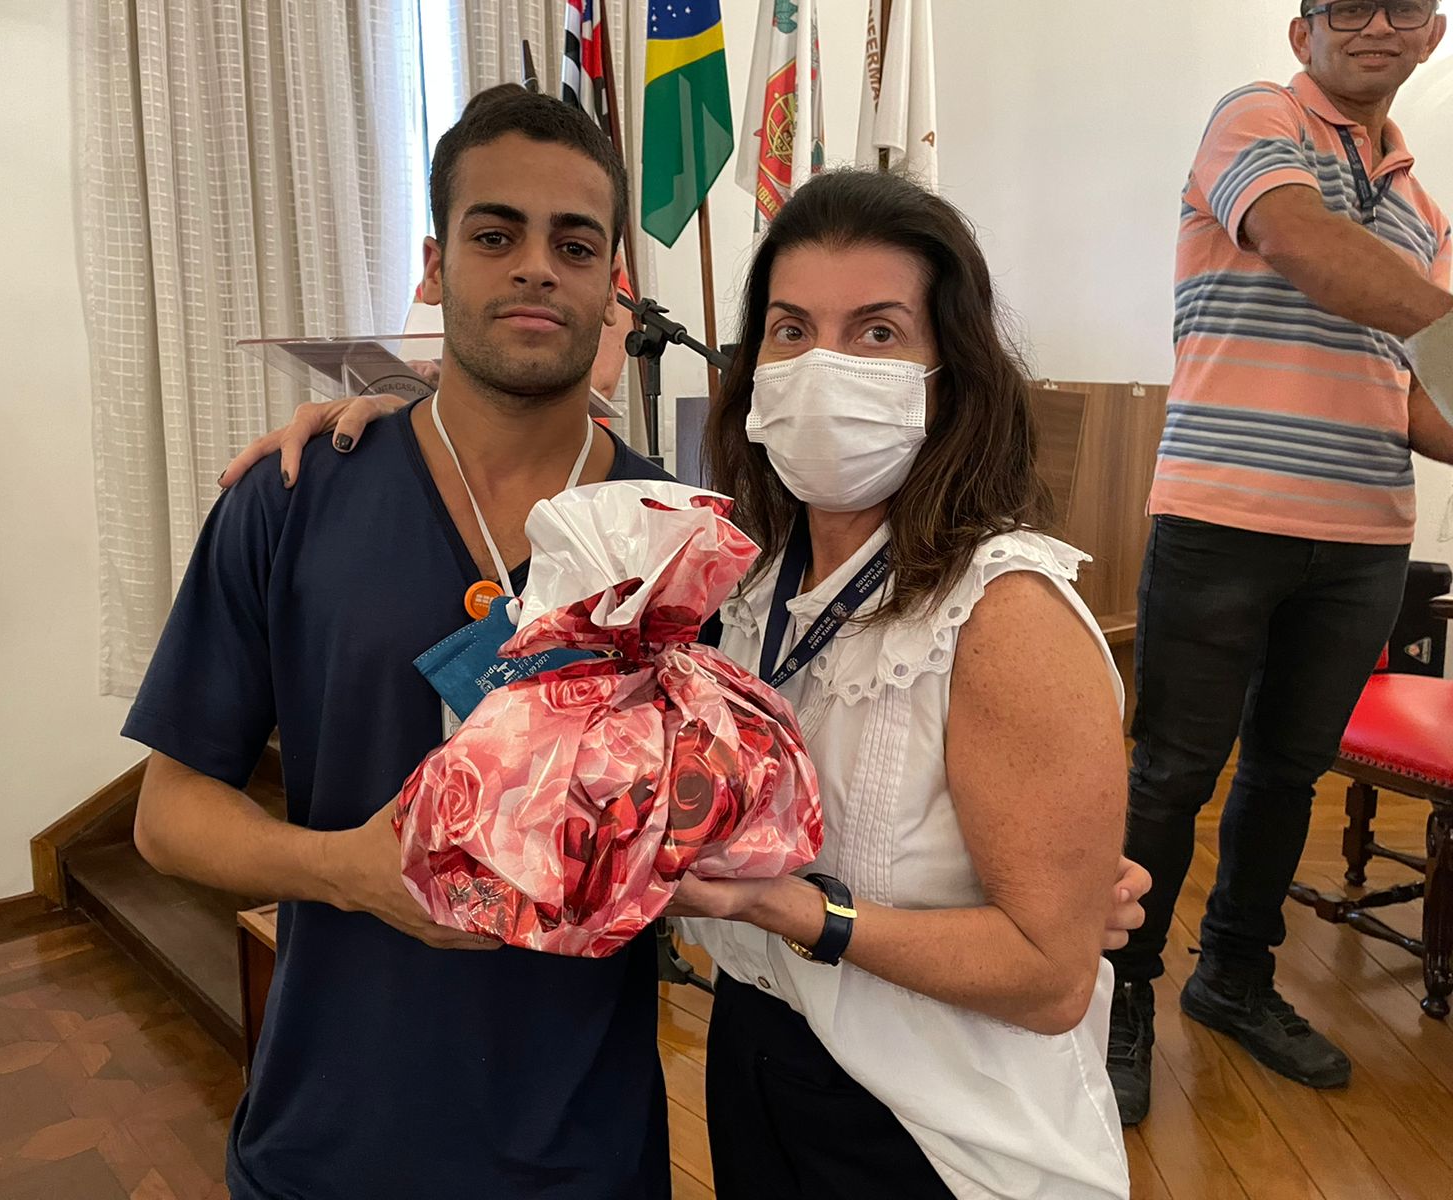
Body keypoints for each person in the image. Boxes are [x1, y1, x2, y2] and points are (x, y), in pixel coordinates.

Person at [232, 168, 1143, 1199]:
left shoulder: (1004, 609)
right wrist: (396, 426)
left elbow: (1050, 978)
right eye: (792, 330)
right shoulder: (727, 586)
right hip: (756, 1068)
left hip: (943, 1132)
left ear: (952, 372)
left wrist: (800, 912)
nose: (826, 366)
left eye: (878, 332)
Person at [126, 86, 676, 1198]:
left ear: (613, 287)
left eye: (574, 245)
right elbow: (167, 815)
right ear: (434, 265)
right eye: (495, 235)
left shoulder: (673, 538)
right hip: (332, 1139)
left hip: (582, 1149)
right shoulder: (291, 497)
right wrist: (347, 872)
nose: (536, 267)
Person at [1104, 0, 1453, 1127]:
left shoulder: (1424, 211)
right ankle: (1114, 996)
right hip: (1224, 514)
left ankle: (1233, 977)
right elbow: (1306, 245)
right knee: (1171, 774)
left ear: (1433, 35)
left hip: (1365, 535)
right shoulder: (1257, 119)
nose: (1375, 24)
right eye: (1347, 4)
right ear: (1303, 33)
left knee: (1288, 773)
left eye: (1404, 6)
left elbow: (1412, 391)